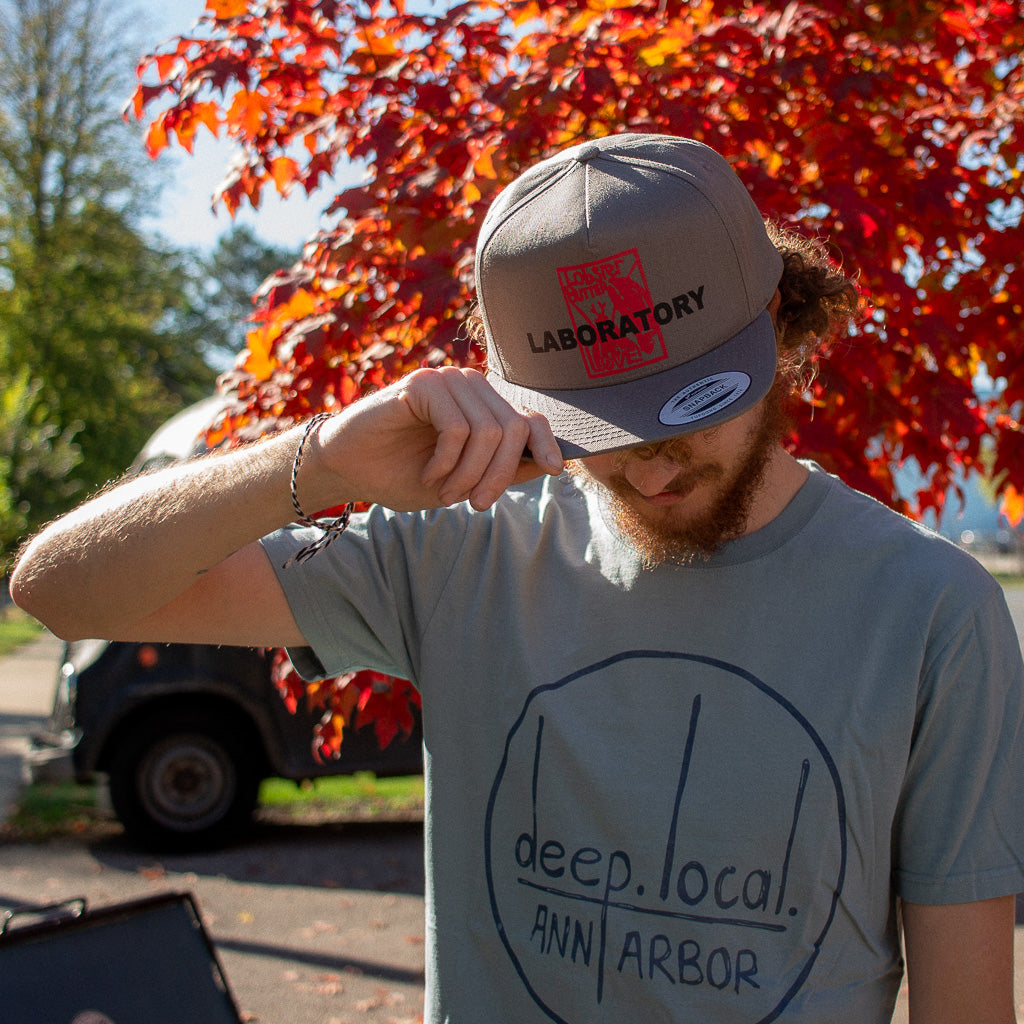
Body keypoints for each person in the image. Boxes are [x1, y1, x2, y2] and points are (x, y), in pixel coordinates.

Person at [11, 133, 1024, 1024]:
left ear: (774, 323)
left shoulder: (930, 609)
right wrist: (316, 461)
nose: (655, 462)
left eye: (688, 408)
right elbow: (61, 591)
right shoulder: (463, 548)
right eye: (606, 432)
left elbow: (966, 999)